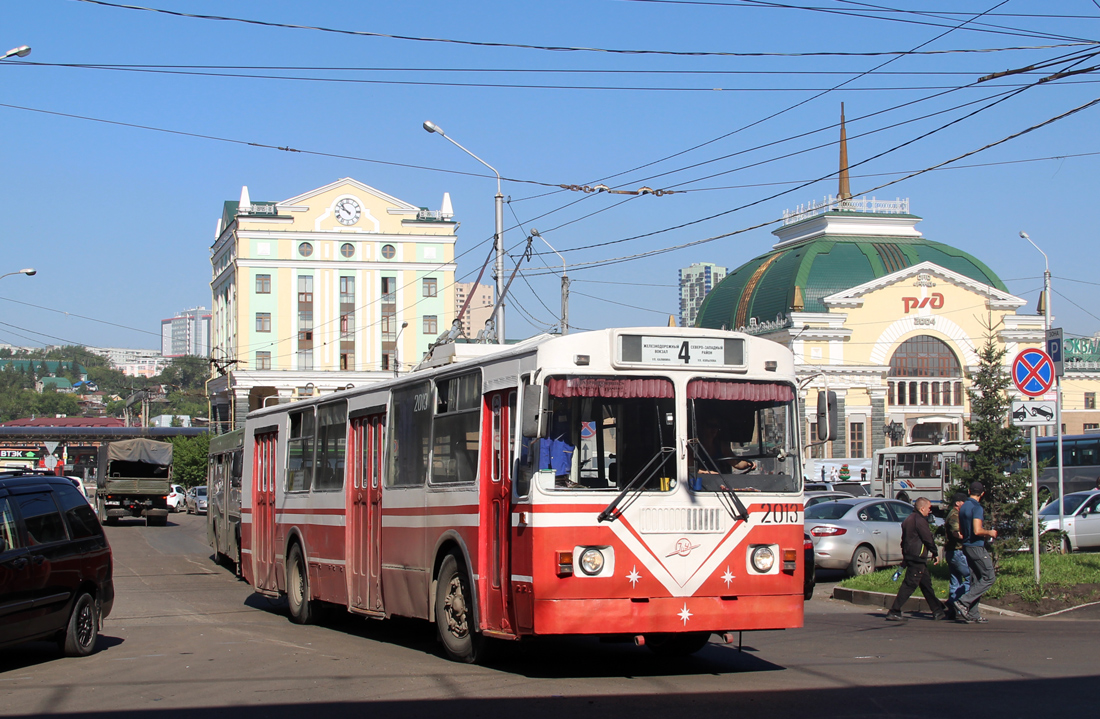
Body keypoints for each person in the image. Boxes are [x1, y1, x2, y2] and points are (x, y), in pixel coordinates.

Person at [886, 497, 946, 622]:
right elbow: (927, 538)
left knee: (926, 585)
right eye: (929, 508)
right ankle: (894, 611)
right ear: (922, 508)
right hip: (917, 557)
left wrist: (905, 556)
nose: (930, 511)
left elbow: (904, 540)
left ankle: (938, 610)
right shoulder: (919, 520)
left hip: (911, 556)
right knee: (909, 585)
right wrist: (935, 552)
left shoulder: (908, 519)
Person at [954, 481, 998, 624]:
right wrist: (989, 532)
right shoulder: (976, 507)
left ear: (969, 491)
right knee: (989, 577)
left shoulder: (964, 506)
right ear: (982, 493)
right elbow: (977, 530)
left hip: (966, 546)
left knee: (976, 578)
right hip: (976, 546)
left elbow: (961, 531)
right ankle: (963, 602)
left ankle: (973, 614)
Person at [943, 492, 970, 620]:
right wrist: (967, 538)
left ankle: (953, 611)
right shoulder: (955, 515)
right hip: (957, 551)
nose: (965, 504)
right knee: (971, 578)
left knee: (955, 581)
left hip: (951, 552)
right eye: (963, 502)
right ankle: (957, 602)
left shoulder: (954, 514)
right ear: (958, 503)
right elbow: (956, 532)